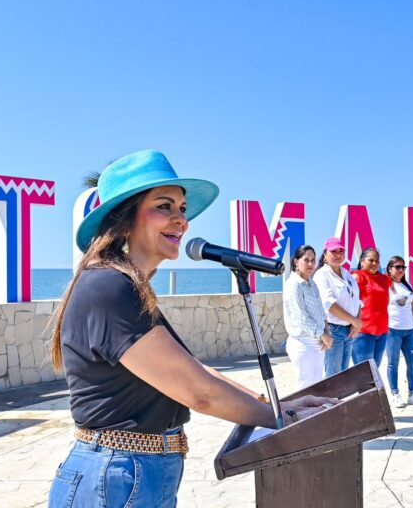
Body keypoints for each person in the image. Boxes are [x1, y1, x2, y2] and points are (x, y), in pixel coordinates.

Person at [47, 150, 335, 508]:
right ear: (124, 219)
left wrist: (279, 405)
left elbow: (197, 372)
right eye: (164, 206)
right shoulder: (109, 287)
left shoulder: (128, 286)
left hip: (135, 473)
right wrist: (283, 418)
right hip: (115, 476)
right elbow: (198, 391)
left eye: (182, 209)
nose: (180, 220)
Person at [283, 245, 334, 389]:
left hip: (317, 342)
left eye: (313, 260)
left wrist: (326, 332)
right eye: (306, 260)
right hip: (303, 343)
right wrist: (323, 335)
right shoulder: (293, 285)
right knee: (305, 386)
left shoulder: (312, 283)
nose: (311, 264)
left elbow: (320, 311)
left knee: (316, 384)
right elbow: (301, 317)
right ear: (296, 262)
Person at [313, 237, 362, 377]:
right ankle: (330, 399)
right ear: (325, 254)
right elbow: (329, 305)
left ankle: (339, 400)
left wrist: (355, 323)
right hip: (333, 330)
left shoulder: (346, 274)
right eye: (334, 251)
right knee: (333, 375)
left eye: (341, 251)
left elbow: (357, 300)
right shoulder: (322, 275)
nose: (338, 255)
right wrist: (354, 320)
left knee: (344, 373)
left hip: (349, 331)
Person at [385, 256, 413, 408]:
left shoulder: (407, 285)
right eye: (398, 267)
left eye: (403, 267)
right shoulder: (386, 285)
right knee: (393, 363)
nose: (401, 270)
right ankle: (395, 394)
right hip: (392, 330)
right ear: (390, 268)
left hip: (409, 331)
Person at [351, 248, 391, 367]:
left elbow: (385, 301)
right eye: (371, 260)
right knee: (363, 374)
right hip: (363, 332)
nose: (374, 263)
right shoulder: (357, 277)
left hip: (382, 332)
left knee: (374, 372)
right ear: (362, 261)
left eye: (377, 261)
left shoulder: (384, 279)